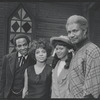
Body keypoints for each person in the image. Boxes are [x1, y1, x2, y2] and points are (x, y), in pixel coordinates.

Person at [66, 15, 100, 98]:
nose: (71, 35)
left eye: (75, 31)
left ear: (84, 31)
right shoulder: (77, 51)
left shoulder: (92, 50)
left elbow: (92, 90)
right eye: (69, 32)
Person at [0, 34, 35, 98]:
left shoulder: (34, 60)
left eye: (25, 45)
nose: (23, 48)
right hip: (9, 95)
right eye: (19, 46)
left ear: (28, 45)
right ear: (15, 47)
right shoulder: (7, 58)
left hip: (25, 96)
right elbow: (2, 80)